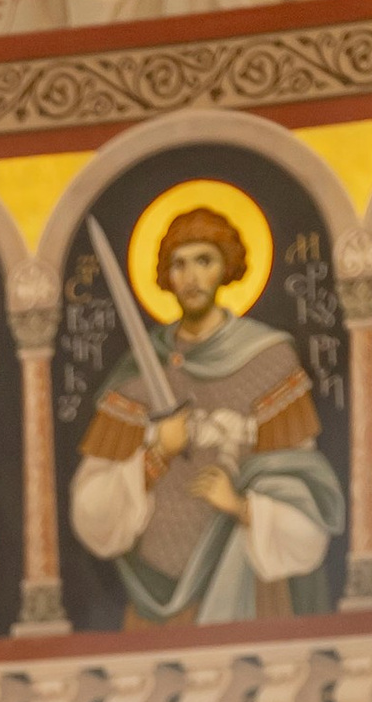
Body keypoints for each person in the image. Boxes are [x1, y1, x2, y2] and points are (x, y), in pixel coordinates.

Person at [68, 205, 343, 625]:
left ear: (226, 267)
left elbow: (304, 495)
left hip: (246, 588)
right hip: (155, 594)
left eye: (204, 261)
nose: (191, 277)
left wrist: (239, 506)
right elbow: (90, 511)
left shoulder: (269, 362)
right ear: (166, 276)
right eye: (179, 265)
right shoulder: (137, 374)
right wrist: (154, 456)